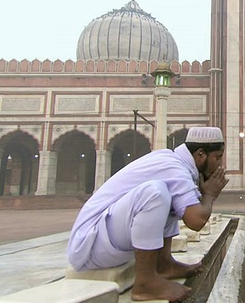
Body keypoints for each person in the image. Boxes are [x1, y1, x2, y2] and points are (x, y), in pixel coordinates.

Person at [67, 127, 229, 302]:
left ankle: (164, 264)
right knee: (155, 193)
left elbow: (189, 210)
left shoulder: (177, 165)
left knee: (170, 196)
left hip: (105, 238)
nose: (219, 165)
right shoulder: (174, 168)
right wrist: (210, 195)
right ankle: (145, 284)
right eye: (217, 158)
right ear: (200, 155)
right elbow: (195, 220)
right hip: (90, 245)